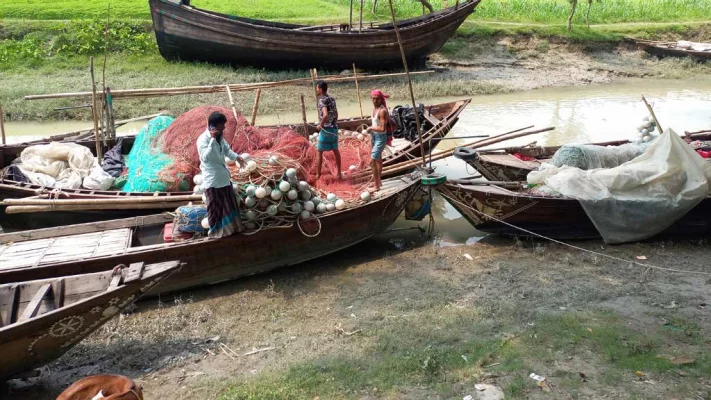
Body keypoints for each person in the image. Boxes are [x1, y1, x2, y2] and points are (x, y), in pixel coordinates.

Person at [197, 111, 245, 238]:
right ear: (213, 126)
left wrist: (237, 157)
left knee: (229, 205)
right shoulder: (203, 140)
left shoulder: (220, 137)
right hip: (212, 180)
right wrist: (212, 140)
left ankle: (232, 230)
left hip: (223, 178)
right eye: (221, 125)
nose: (224, 128)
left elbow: (227, 150)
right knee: (215, 209)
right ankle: (215, 234)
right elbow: (205, 157)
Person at [365, 89, 392, 192]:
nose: (375, 101)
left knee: (372, 161)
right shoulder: (374, 109)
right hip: (374, 137)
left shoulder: (382, 111)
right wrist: (372, 130)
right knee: (378, 160)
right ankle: (378, 181)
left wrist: (371, 128)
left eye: (377, 99)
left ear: (381, 99)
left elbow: (382, 128)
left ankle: (376, 186)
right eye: (373, 99)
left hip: (380, 138)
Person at [315, 81, 342, 180]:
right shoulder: (331, 98)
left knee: (319, 152)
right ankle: (339, 173)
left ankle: (318, 175)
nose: (316, 89)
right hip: (334, 129)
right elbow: (336, 113)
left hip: (326, 130)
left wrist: (320, 125)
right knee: (336, 150)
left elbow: (325, 115)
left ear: (321, 89)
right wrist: (334, 123)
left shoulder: (322, 100)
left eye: (317, 88)